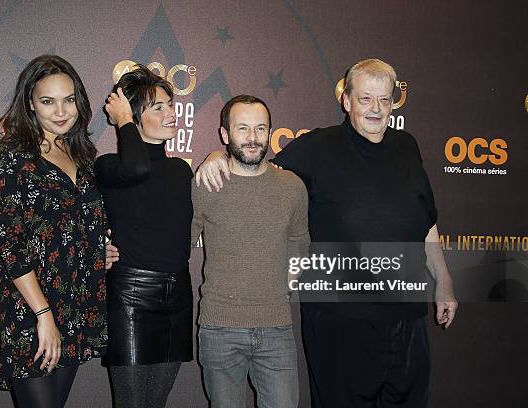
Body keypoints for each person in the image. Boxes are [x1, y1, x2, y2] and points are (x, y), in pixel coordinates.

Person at [195, 59, 458, 408]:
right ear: (346, 101)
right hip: (340, 319)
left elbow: (425, 222)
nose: (376, 109)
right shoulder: (316, 147)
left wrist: (444, 281)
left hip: (406, 314)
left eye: (384, 99)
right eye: (366, 99)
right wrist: (216, 155)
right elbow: (256, 167)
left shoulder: (407, 146)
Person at [0, 55, 107, 408]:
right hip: (31, 308)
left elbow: (78, 225)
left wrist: (100, 248)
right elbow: (9, 245)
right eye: (47, 101)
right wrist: (43, 315)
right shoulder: (11, 158)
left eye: (68, 100)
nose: (61, 111)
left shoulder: (82, 156)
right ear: (30, 103)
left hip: (75, 304)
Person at [192, 95, 310, 408]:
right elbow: (179, 242)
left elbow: (300, 240)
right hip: (219, 328)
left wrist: (286, 284)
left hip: (276, 327)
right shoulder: (205, 183)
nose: (253, 137)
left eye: (260, 128)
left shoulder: (292, 186)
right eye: (242, 128)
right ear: (224, 134)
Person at [95, 65, 193, 408]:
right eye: (158, 107)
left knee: (156, 403)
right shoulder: (109, 166)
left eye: (170, 105)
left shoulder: (182, 170)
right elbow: (137, 167)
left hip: (178, 295)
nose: (171, 113)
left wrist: (213, 158)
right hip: (131, 296)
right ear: (134, 116)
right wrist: (123, 120)